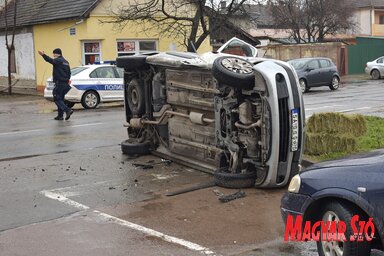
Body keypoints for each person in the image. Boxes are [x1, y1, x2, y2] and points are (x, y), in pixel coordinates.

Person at [38, 48, 74, 120]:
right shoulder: (66, 62)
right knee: (60, 99)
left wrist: (43, 55)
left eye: (54, 54)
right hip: (65, 83)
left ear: (57, 54)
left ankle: (67, 110)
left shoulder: (58, 60)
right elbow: (69, 73)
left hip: (59, 83)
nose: (53, 55)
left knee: (56, 98)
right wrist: (66, 80)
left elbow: (50, 60)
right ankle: (60, 116)